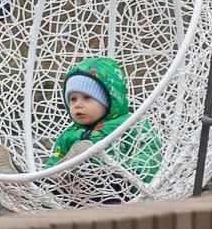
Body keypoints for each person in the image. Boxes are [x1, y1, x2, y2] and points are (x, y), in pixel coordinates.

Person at [44, 54, 161, 196]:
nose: (78, 105)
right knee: (51, 182)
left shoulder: (130, 125)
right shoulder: (70, 134)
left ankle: (71, 173)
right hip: (73, 194)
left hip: (118, 187)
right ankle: (26, 184)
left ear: (108, 99)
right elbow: (55, 159)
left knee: (97, 176)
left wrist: (132, 174)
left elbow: (149, 153)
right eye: (73, 99)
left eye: (87, 98)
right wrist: (49, 173)